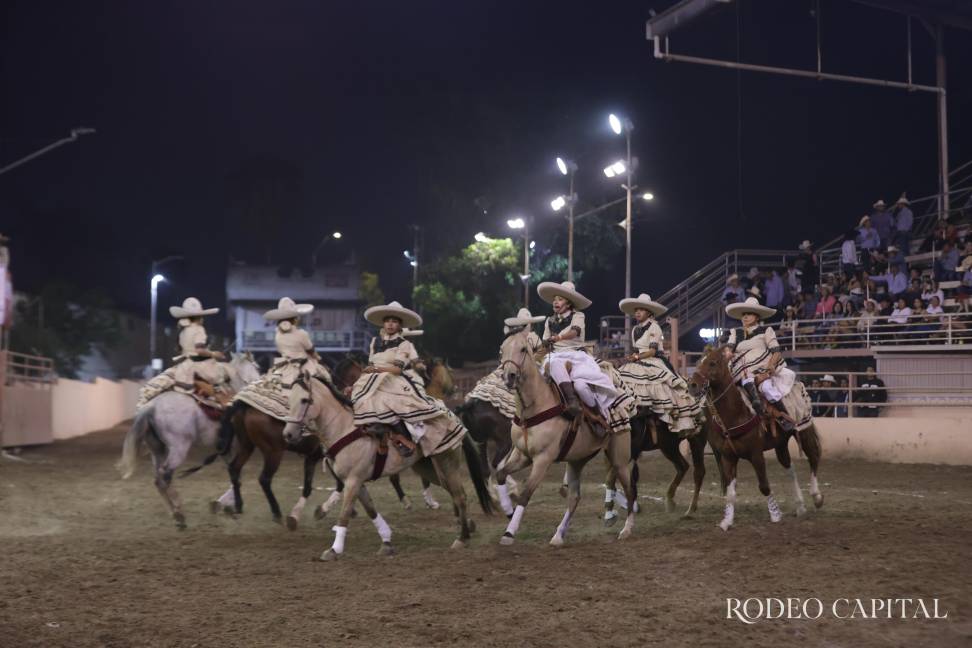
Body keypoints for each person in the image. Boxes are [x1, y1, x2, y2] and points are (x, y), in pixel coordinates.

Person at [350, 300, 458, 456]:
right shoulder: (374, 341)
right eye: (388, 321)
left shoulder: (405, 344)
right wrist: (364, 375)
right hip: (372, 378)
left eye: (394, 321)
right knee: (354, 397)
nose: (390, 324)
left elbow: (397, 369)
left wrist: (418, 365)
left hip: (394, 378)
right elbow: (371, 363)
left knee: (393, 402)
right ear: (383, 323)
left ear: (400, 325)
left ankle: (402, 437)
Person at [537, 281, 624, 436]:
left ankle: (597, 416)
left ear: (569, 303)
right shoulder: (549, 321)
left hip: (576, 356)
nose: (556, 302)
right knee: (551, 366)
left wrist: (559, 337)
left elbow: (575, 332)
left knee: (581, 386)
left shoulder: (578, 315)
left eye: (560, 299)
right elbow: (544, 343)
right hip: (556, 356)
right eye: (555, 299)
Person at [723, 296, 811, 432]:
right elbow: (729, 347)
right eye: (744, 314)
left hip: (762, 369)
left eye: (749, 314)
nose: (745, 317)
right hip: (739, 370)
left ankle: (784, 417)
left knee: (767, 388)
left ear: (757, 317)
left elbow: (776, 351)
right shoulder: (735, 332)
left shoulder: (766, 331)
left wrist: (770, 367)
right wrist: (728, 353)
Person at [616, 293, 700, 434]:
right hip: (639, 360)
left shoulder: (654, 327)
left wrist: (636, 356)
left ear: (649, 312)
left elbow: (652, 351)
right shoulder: (635, 329)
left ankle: (657, 416)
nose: (637, 312)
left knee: (658, 384)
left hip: (653, 360)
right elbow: (637, 349)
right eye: (636, 310)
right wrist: (632, 356)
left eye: (641, 310)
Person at [464, 308, 546, 420]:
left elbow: (541, 353)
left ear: (531, 325)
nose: (524, 327)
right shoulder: (512, 338)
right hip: (510, 365)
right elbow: (503, 353)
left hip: (528, 367)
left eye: (526, 324)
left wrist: (532, 360)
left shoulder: (533, 337)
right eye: (522, 324)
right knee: (494, 381)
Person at [262, 297, 332, 406]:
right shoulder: (302, 334)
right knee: (325, 377)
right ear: (294, 319)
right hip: (304, 366)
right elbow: (310, 350)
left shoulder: (277, 335)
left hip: (283, 366)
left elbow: (280, 350)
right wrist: (318, 358)